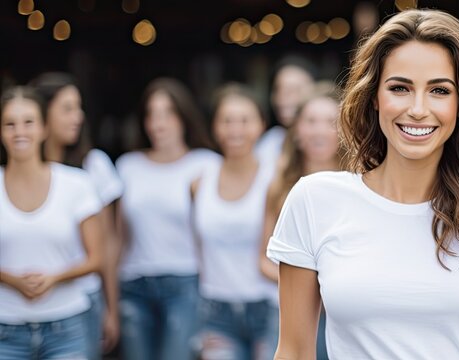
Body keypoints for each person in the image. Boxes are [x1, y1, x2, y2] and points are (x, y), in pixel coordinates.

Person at [267, 9, 459, 359]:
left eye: (439, 90)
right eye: (400, 88)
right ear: (374, 96)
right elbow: (293, 352)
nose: (418, 109)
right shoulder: (314, 201)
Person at [115, 78, 218, 360]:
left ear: (183, 117)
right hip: (133, 284)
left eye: (168, 113)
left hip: (184, 283)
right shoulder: (128, 166)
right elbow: (118, 238)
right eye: (152, 114)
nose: (158, 123)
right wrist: (109, 300)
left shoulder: (206, 165)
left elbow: (211, 236)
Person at [0, 86, 103, 358]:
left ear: (44, 128)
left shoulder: (77, 184)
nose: (19, 132)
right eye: (10, 124)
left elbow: (97, 259)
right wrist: (11, 279)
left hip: (67, 326)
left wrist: (55, 278)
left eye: (28, 122)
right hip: (5, 328)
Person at [31, 72, 124, 359]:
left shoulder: (94, 166)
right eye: (67, 108)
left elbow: (106, 245)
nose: (78, 117)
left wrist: (111, 308)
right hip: (18, 307)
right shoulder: (14, 172)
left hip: (82, 301)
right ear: (43, 113)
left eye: (79, 107)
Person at [192, 83, 277, 360]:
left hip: (267, 306)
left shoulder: (275, 180)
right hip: (215, 309)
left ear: (261, 124)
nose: (235, 130)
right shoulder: (199, 180)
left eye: (245, 120)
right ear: (214, 127)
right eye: (227, 121)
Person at [259, 92, 343, 360]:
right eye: (311, 121)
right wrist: (314, 288)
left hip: (342, 316)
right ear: (296, 131)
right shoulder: (280, 187)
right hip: (288, 314)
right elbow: (264, 260)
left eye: (330, 121)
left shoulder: (360, 184)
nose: (319, 130)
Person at [255, 57, 317, 169]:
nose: (283, 98)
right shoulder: (269, 142)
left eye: (294, 90)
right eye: (278, 89)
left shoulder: (331, 138)